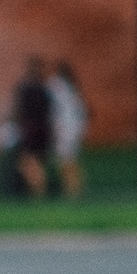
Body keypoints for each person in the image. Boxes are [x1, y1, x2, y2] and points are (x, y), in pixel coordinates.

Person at [12, 57, 54, 199]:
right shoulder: (44, 88)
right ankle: (37, 190)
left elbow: (19, 110)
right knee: (34, 161)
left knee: (29, 161)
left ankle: (38, 191)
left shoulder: (24, 88)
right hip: (43, 129)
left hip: (30, 129)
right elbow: (49, 110)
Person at [49, 61, 89, 200]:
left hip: (63, 129)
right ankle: (75, 189)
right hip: (74, 129)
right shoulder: (72, 88)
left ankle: (71, 190)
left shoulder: (55, 86)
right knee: (71, 160)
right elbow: (81, 111)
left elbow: (53, 110)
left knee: (65, 161)